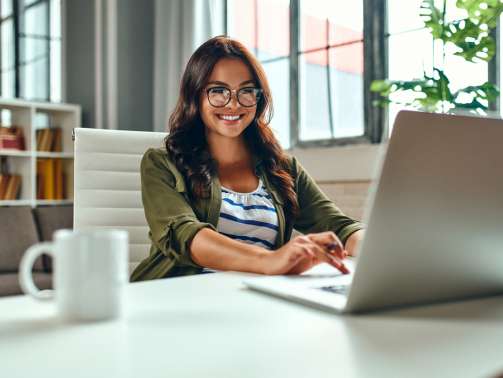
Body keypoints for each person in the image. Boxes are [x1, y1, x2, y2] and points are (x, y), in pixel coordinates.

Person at [130, 36, 365, 282]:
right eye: (218, 91)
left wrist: (376, 246)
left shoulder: (284, 169)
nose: (233, 103)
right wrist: (272, 260)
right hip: (174, 299)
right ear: (195, 95)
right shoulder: (161, 164)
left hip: (252, 300)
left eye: (246, 91)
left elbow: (341, 226)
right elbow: (186, 236)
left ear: (258, 98)